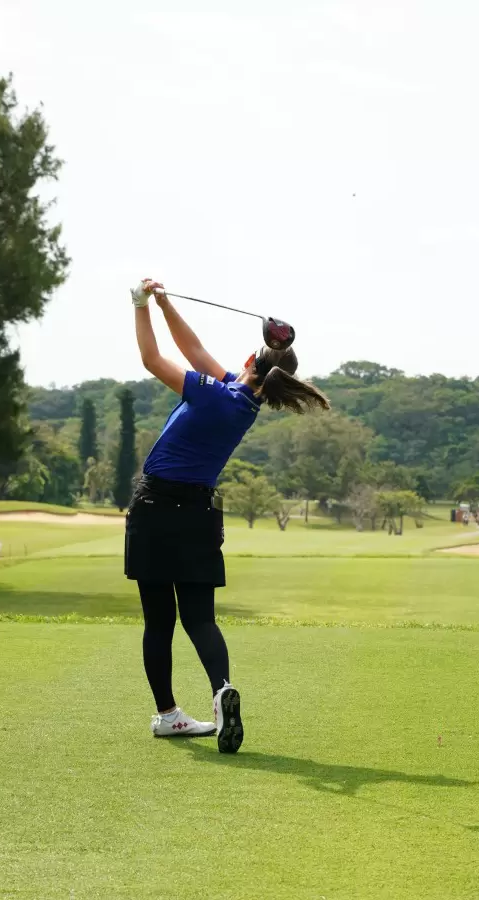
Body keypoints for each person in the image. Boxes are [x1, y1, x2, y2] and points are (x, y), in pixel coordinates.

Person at [126, 278, 330, 753]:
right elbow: (192, 347)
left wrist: (139, 305)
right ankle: (221, 691)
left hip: (155, 510)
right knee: (200, 619)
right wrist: (164, 303)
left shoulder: (216, 394)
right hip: (198, 516)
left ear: (248, 363)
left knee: (159, 621)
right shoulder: (243, 402)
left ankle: (168, 715)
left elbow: (154, 360)